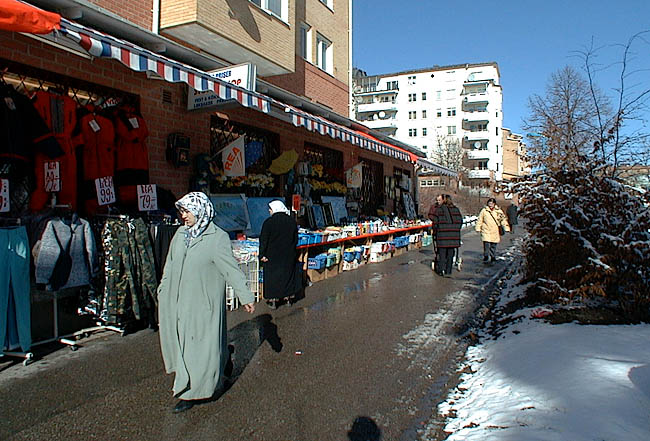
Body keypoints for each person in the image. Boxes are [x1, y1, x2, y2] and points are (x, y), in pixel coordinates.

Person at [157, 192, 255, 413]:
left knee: (196, 350)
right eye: (182, 211)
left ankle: (191, 392)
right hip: (177, 301)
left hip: (202, 304)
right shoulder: (181, 234)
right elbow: (170, 264)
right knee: (188, 344)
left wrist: (245, 296)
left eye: (187, 211)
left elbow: (230, 269)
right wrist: (162, 289)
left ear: (200, 210)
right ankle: (224, 358)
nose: (183, 216)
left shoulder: (216, 237)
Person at [259, 200, 301, 309]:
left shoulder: (268, 222)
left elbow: (264, 240)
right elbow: (295, 239)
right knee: (287, 275)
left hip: (272, 256)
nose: (269, 210)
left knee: (273, 277)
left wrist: (262, 254)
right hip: (288, 255)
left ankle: (273, 300)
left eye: (270, 209)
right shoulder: (292, 222)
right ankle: (288, 298)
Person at [429, 194, 463, 276]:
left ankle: (441, 270)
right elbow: (460, 222)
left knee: (442, 253)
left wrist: (435, 230)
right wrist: (455, 230)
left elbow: (435, 223)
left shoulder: (439, 210)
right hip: (453, 236)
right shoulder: (456, 209)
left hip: (442, 235)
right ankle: (448, 270)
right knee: (451, 253)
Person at [475, 198, 510, 263]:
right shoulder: (484, 211)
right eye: (489, 203)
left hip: (495, 231)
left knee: (493, 245)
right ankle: (486, 256)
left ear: (494, 204)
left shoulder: (498, 211)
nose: (490, 205)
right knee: (486, 245)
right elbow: (480, 219)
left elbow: (503, 220)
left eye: (492, 203)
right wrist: (478, 228)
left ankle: (493, 256)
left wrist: (506, 228)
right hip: (486, 230)